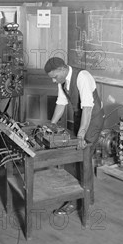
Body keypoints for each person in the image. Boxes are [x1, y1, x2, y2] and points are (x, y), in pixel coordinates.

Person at [44, 57, 105, 216]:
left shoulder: (82, 77)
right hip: (82, 119)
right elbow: (61, 103)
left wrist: (81, 134)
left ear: (63, 69)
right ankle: (86, 197)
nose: (53, 80)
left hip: (93, 119)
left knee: (82, 157)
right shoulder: (62, 81)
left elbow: (87, 108)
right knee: (78, 158)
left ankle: (78, 201)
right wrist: (51, 124)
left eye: (54, 76)